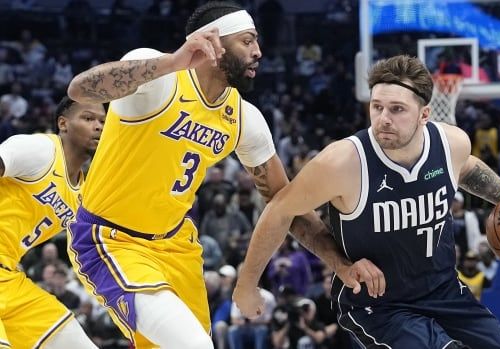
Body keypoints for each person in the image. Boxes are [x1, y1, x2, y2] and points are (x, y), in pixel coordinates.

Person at [66, 2, 374, 348]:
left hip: (176, 246)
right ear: (213, 43)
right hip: (112, 239)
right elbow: (80, 90)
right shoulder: (159, 78)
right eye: (247, 41)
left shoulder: (245, 119)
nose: (258, 51)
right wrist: (173, 61)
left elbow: (286, 203)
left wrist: (340, 264)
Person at [233, 55, 500, 348]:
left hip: (443, 291)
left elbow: (466, 168)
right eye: (376, 107)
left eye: (396, 109)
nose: (383, 119)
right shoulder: (342, 162)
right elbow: (281, 210)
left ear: (424, 114)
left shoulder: (451, 144)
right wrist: (248, 285)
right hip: (378, 306)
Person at [0, 96, 104, 349]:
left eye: (103, 121)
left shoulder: (84, 194)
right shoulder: (40, 150)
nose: (99, 126)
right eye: (88, 118)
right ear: (63, 123)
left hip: (8, 278)